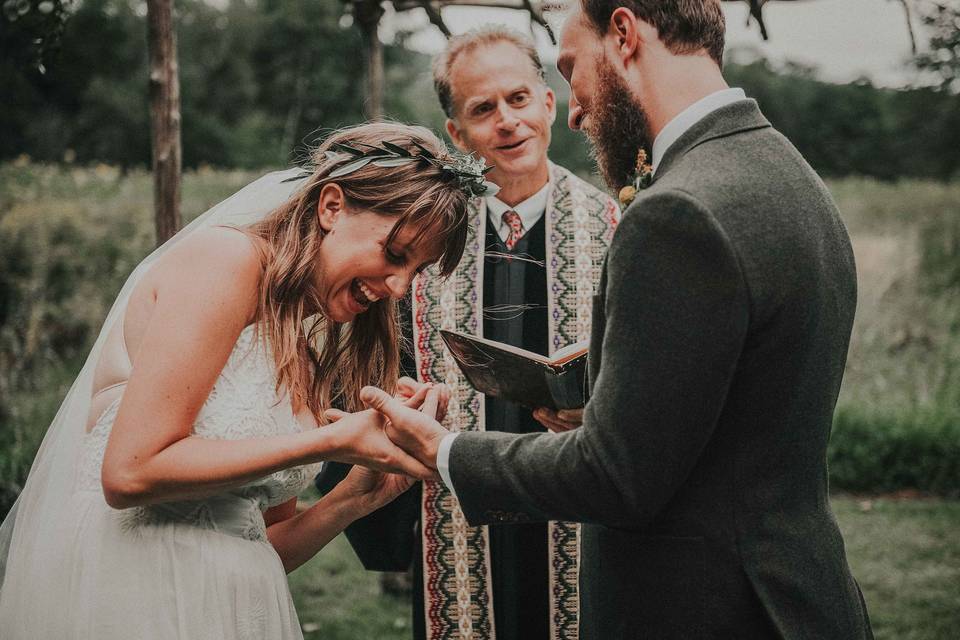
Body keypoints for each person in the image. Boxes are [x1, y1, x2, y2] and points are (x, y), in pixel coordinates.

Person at [357, 3, 875, 639]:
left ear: (624, 35)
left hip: (707, 606)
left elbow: (616, 475)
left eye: (570, 71)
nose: (575, 110)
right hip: (791, 594)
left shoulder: (670, 214)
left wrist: (444, 449)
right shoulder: (787, 174)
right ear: (456, 130)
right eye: (482, 109)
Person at [0, 122, 478, 639]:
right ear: (332, 207)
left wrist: (356, 498)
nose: (399, 287)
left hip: (233, 614)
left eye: (418, 271)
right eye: (395, 254)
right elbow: (130, 473)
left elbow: (260, 547)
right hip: (140, 598)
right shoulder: (225, 260)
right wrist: (332, 439)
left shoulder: (304, 343)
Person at [317, 26, 619, 640]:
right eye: (483, 109)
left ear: (548, 105)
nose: (507, 122)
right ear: (456, 134)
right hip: (450, 513)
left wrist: (601, 407)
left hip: (577, 504)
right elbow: (372, 365)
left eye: (518, 99)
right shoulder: (422, 243)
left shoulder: (620, 229)